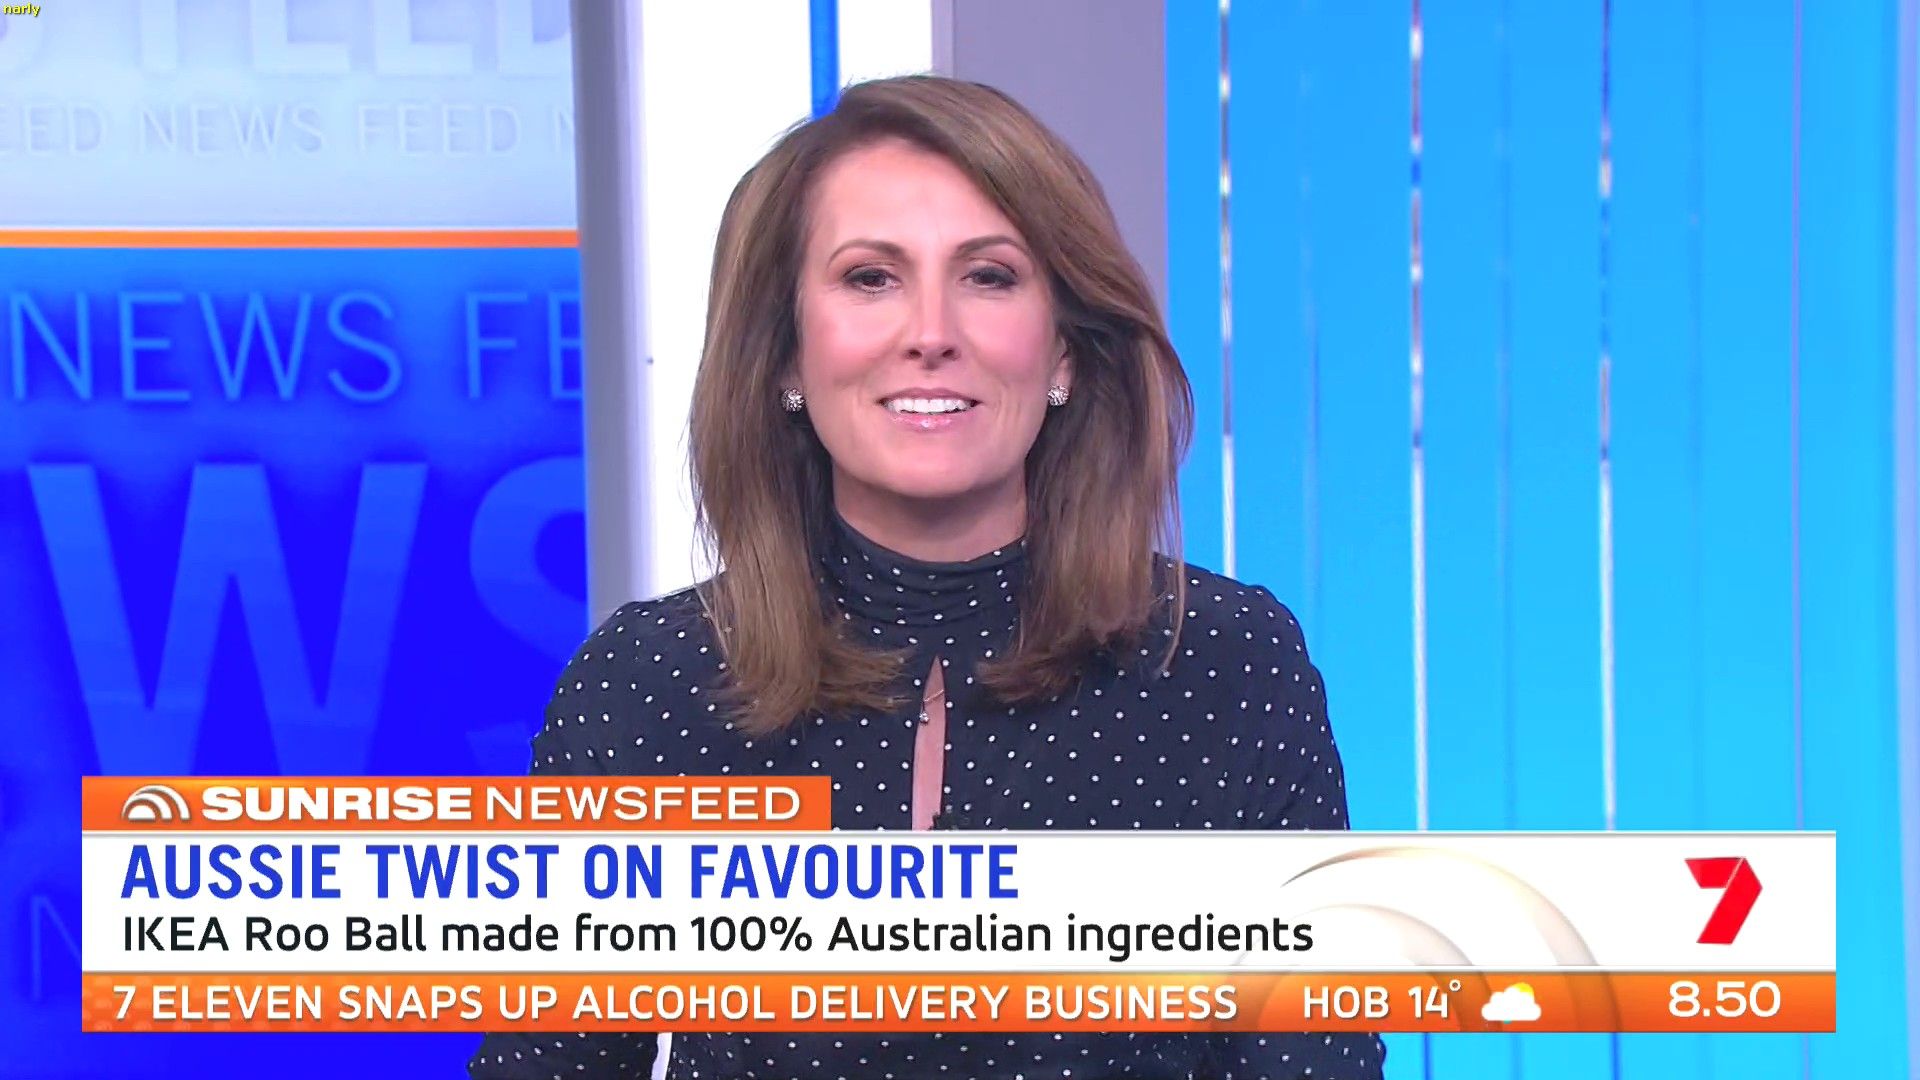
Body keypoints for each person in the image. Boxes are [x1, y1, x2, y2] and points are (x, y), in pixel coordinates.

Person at [470, 74, 1383, 1080]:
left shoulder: (1222, 663)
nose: (931, 332)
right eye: (871, 278)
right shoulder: (648, 683)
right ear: (786, 355)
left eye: (988, 277)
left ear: (1065, 354)